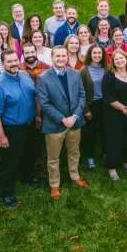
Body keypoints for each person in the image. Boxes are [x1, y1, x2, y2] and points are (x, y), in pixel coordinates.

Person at [0, 50, 40, 207]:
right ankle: (6, 193)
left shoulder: (24, 75)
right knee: (10, 161)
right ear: (2, 64)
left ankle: (27, 176)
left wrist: (37, 115)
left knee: (29, 153)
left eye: (15, 60)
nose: (13, 64)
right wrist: (1, 136)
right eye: (9, 62)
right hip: (12, 129)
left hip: (30, 124)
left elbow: (33, 97)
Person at [37, 46, 88, 200]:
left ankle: (75, 176)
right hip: (55, 124)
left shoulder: (75, 74)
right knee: (53, 157)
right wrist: (62, 119)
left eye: (63, 56)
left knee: (74, 152)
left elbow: (82, 96)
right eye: (57, 56)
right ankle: (54, 184)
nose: (61, 59)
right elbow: (44, 104)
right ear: (52, 57)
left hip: (74, 122)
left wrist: (75, 116)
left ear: (67, 57)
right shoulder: (43, 77)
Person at [101, 49, 127, 181]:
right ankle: (112, 168)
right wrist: (123, 108)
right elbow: (108, 97)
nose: (119, 61)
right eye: (116, 59)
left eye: (121, 58)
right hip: (114, 114)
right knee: (114, 139)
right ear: (112, 62)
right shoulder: (108, 75)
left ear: (126, 59)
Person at [79, 44, 107, 169]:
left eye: (99, 53)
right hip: (91, 105)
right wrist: (85, 109)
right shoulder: (84, 71)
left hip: (105, 104)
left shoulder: (107, 68)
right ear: (90, 55)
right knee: (89, 133)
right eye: (94, 53)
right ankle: (90, 156)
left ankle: (106, 152)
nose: (97, 56)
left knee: (105, 130)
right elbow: (80, 92)